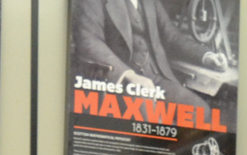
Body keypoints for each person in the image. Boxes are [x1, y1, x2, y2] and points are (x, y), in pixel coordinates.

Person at [72, 0, 216, 107]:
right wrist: (129, 75)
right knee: (149, 119)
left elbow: (172, 37)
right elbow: (88, 40)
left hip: (156, 76)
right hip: (122, 81)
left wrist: (206, 56)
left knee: (200, 110)